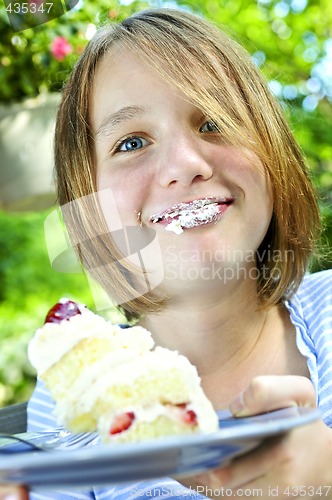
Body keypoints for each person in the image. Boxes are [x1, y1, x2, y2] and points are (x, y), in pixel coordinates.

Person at [6, 7, 332, 500]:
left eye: (215, 121)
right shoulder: (69, 400)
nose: (184, 165)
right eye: (131, 141)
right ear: (87, 204)